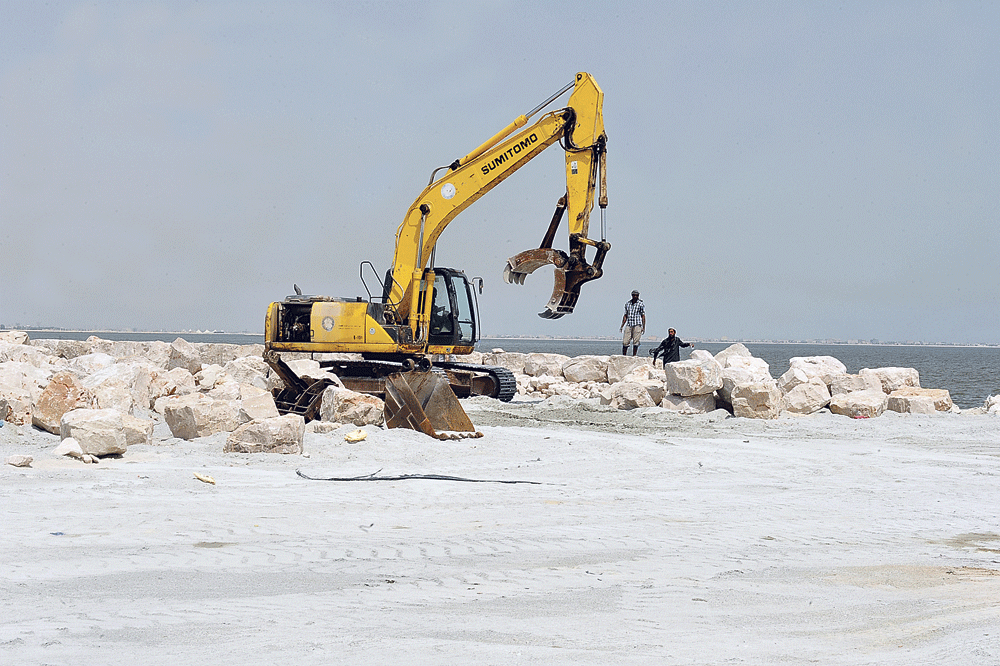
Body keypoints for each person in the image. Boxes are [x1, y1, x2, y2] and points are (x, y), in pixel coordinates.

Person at [619, 290, 645, 356]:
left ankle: (634, 355)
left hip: (637, 324)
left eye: (636, 295)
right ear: (632, 295)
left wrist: (643, 327)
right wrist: (622, 325)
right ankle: (624, 356)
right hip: (629, 324)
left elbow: (643, 315)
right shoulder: (628, 304)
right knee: (625, 341)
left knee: (636, 341)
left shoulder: (640, 304)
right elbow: (625, 315)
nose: (635, 296)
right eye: (634, 295)